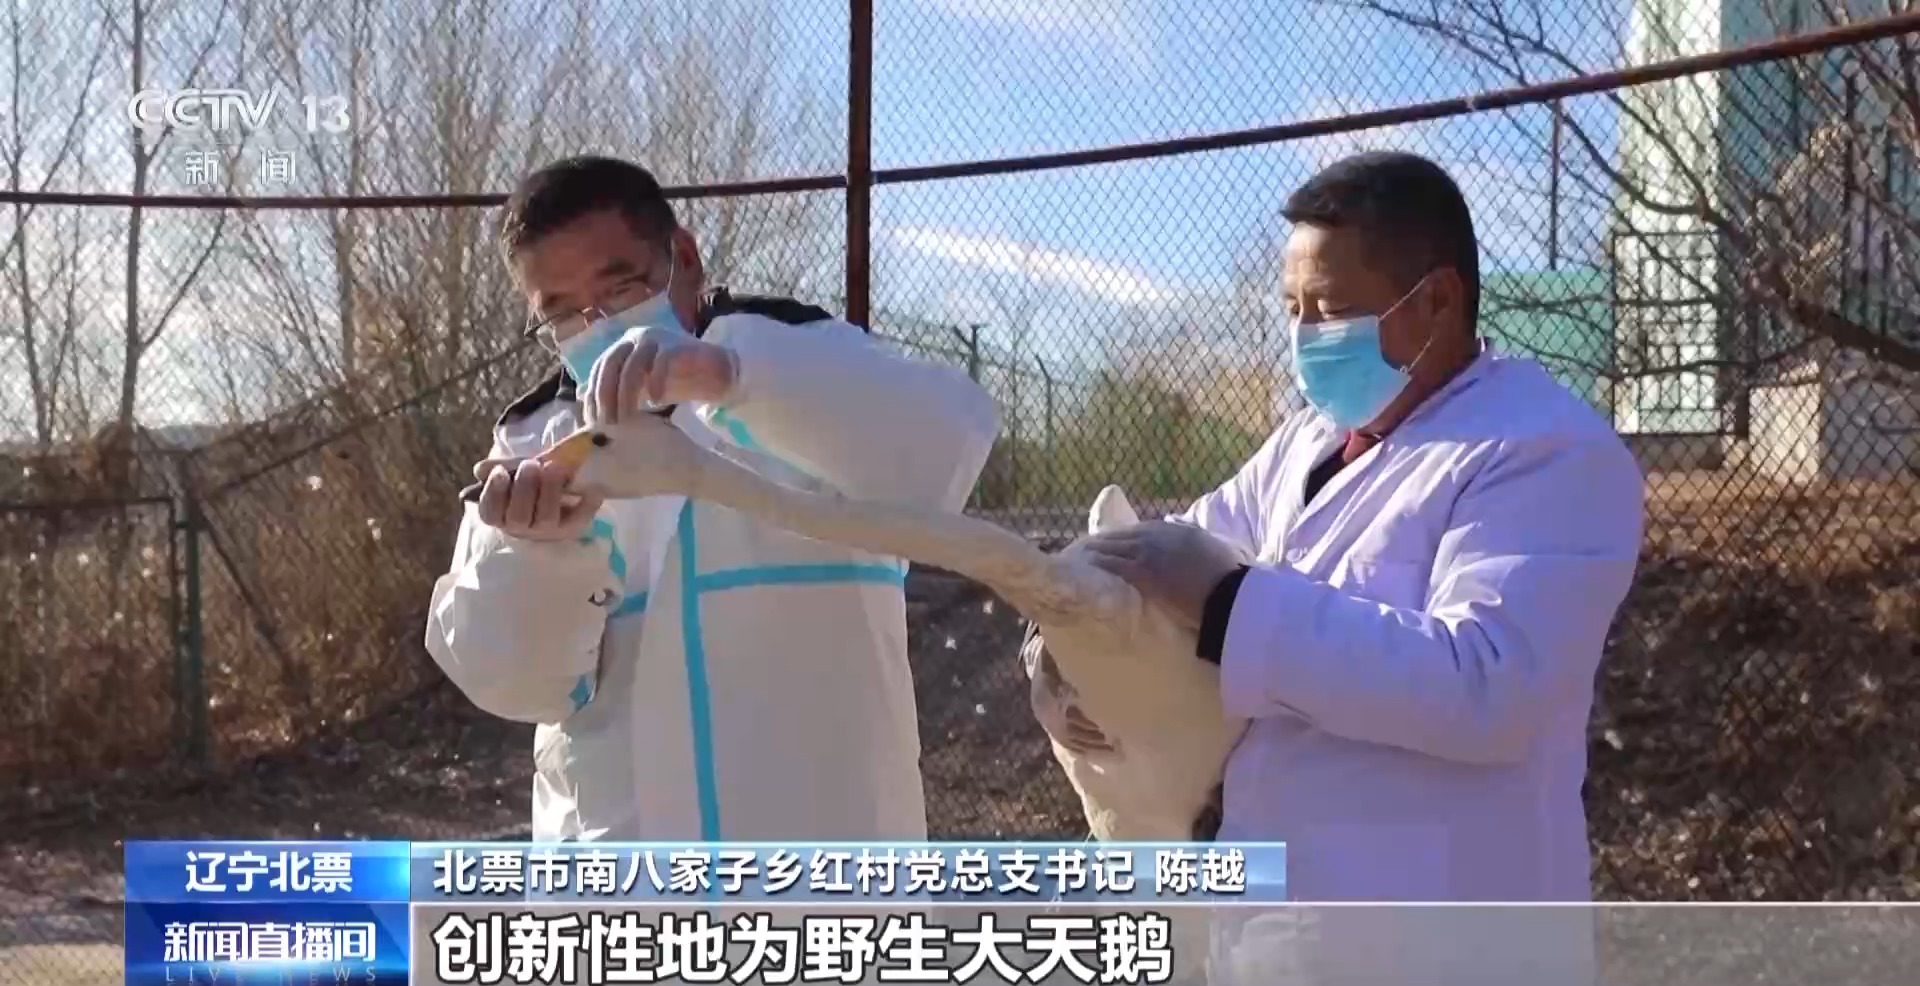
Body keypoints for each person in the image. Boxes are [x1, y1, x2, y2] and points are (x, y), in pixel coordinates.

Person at [1035, 150, 1645, 906]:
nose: (1304, 335)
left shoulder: (1545, 450)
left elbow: (1489, 685)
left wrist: (1227, 603)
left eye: (1328, 309)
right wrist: (1058, 646)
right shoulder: (1307, 442)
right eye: (1293, 309)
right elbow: (1154, 560)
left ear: (1437, 300)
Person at [425, 155, 1001, 842]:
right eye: (563, 314)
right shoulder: (530, 442)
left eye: (622, 287)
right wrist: (538, 558)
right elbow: (510, 683)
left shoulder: (796, 356)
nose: (599, 326)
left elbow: (950, 446)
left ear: (685, 258)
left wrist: (732, 378)